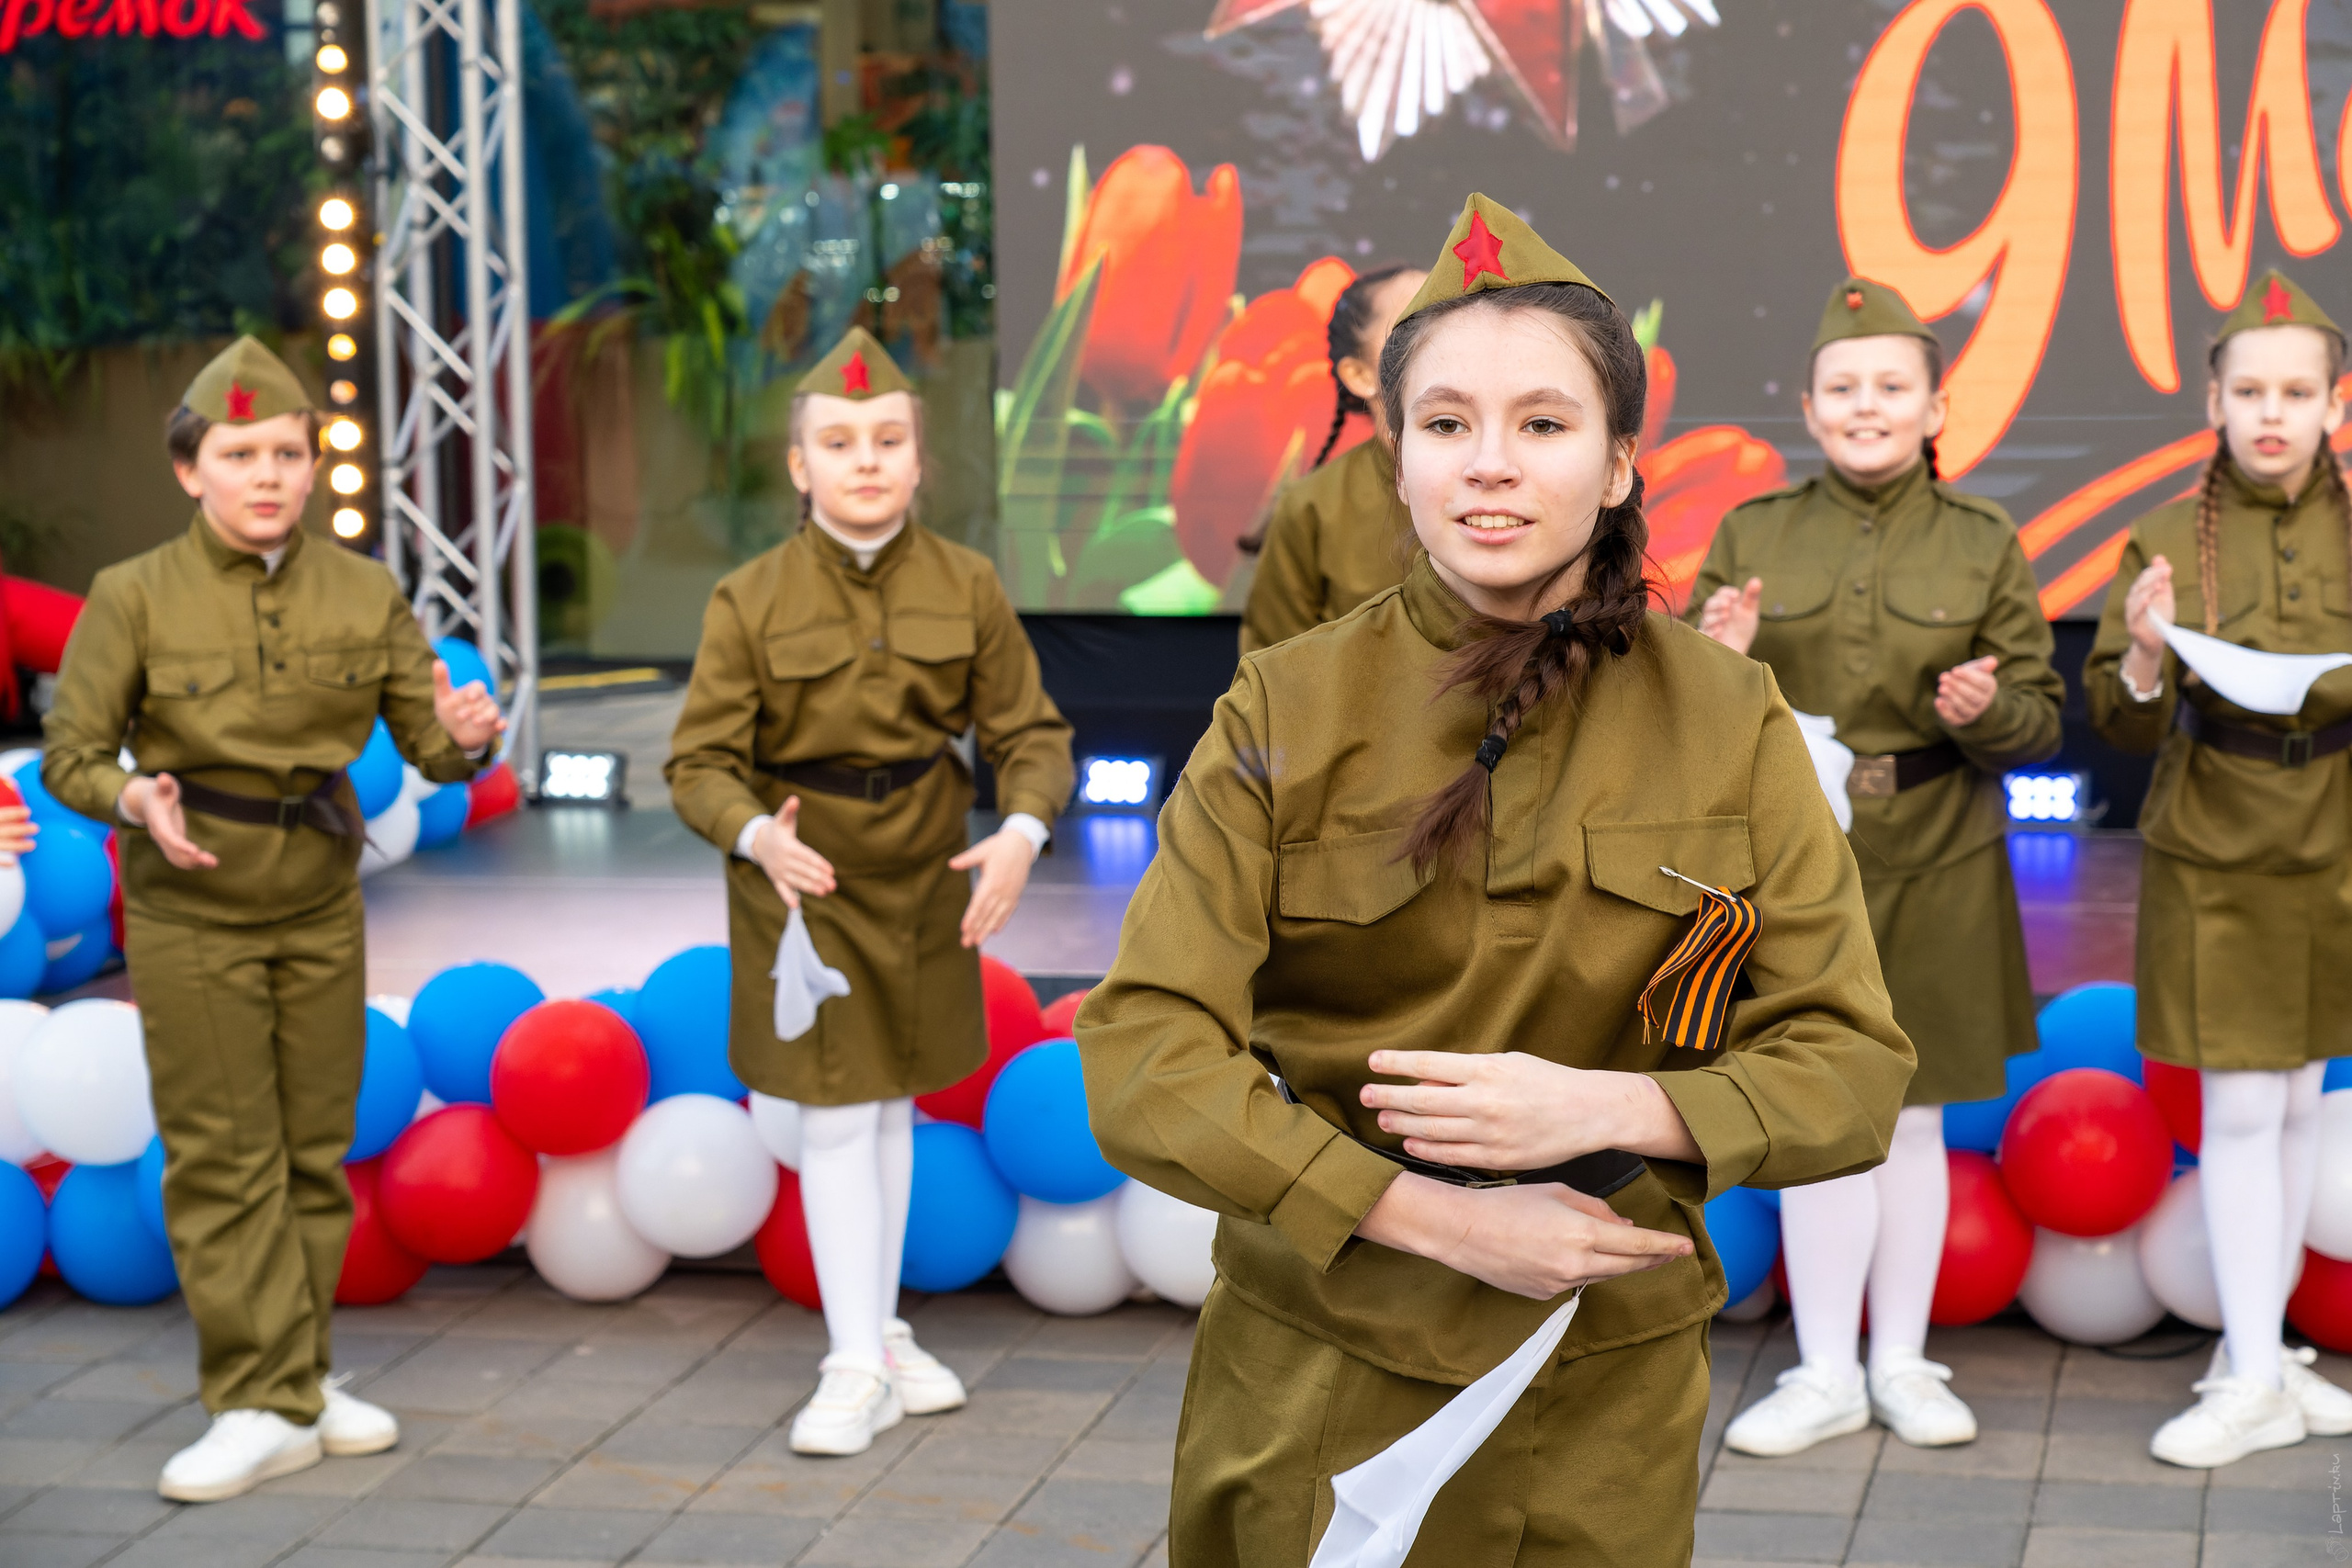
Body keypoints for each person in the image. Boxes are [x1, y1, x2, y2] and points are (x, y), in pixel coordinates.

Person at [1079, 196, 1913, 1568]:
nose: (1490, 466)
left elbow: (1851, 1066)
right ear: (1395, 455)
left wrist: (1611, 1104)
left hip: (1601, 1388)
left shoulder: (1728, 716)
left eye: (1543, 423)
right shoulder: (1285, 706)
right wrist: (1439, 1218)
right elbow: (1142, 1056)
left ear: (1620, 462)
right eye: (1446, 422)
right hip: (1321, 1371)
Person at [41, 336, 504, 1502]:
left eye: (287, 454)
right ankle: (252, 1402)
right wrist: (133, 798)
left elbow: (431, 748)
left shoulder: (363, 591)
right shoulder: (132, 594)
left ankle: (299, 1381)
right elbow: (71, 755)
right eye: (240, 454)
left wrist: (467, 738)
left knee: (309, 1150)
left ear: (313, 467)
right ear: (190, 470)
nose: (266, 475)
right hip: (191, 902)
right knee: (221, 1156)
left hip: (318, 900)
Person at [667, 326, 1074, 1458]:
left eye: (888, 439)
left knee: (892, 1106)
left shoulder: (966, 583)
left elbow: (1030, 734)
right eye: (840, 442)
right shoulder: (748, 597)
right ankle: (854, 1364)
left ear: (918, 458)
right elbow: (697, 765)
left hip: (929, 880)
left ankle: (880, 1335)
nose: (866, 460)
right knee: (843, 1114)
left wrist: (1022, 834)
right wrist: (756, 835)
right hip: (806, 885)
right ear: (800, 466)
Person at [1690, 278, 2064, 1457]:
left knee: (1912, 1124)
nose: (1867, 405)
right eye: (1843, 388)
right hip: (1800, 862)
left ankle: (1899, 1361)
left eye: (1891, 387)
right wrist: (1714, 657)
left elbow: (2040, 724)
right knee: (1816, 1116)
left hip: (1942, 854)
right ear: (1809, 408)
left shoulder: (1983, 540)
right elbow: (1683, 718)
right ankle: (1822, 1375)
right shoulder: (1752, 533)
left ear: (1934, 407)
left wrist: (1986, 709)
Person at [2086, 269, 2352, 1469]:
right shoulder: (2160, 536)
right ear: (2213, 402)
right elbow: (2119, 721)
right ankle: (2247, 1372)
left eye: (2296, 392)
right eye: (2249, 391)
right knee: (2243, 1106)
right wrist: (2145, 655)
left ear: (2334, 404)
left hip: (2337, 835)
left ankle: (2267, 1359)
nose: (2271, 413)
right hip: (2215, 843)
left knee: (2298, 1099)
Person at [1237, 264, 1428, 654]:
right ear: (1359, 375)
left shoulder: (1514, 479)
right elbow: (1275, 666)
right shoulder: (1312, 507)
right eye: (1411, 327)